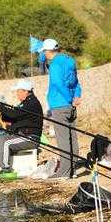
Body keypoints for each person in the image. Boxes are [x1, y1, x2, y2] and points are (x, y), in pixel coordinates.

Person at [42, 38, 82, 178]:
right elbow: (76, 82)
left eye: (45, 51)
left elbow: (59, 84)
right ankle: (73, 170)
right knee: (72, 137)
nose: (45, 54)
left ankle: (64, 172)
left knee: (63, 139)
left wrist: (69, 99)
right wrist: (76, 96)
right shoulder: (69, 60)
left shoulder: (54, 65)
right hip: (70, 105)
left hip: (59, 105)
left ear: (48, 51)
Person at [0, 80, 43, 171]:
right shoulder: (26, 103)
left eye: (18, 91)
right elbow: (14, 117)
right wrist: (1, 116)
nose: (17, 94)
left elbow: (14, 114)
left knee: (4, 142)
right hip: (22, 135)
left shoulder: (32, 103)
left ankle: (5, 169)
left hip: (30, 137)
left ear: (25, 91)